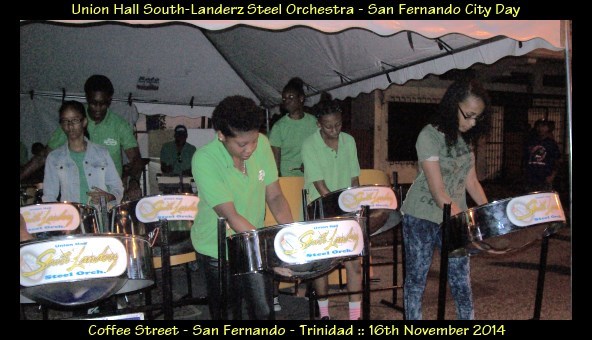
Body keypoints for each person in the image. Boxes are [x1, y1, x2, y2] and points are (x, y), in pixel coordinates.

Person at [191, 95, 293, 320]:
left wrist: (291, 238)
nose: (250, 149)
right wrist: (268, 255)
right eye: (242, 144)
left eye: (254, 140)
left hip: (253, 237)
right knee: (228, 314)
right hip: (217, 248)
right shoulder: (204, 159)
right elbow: (230, 215)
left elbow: (275, 196)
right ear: (221, 135)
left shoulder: (262, 145)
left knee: (264, 313)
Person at [400, 78, 490, 320]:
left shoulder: (466, 139)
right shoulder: (428, 136)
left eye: (477, 118)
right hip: (422, 216)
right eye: (468, 115)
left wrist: (488, 215)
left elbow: (471, 182)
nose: (472, 123)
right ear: (453, 105)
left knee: (461, 279)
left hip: (456, 215)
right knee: (417, 279)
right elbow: (439, 192)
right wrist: (468, 223)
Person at [21, 75, 143, 200]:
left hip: (108, 199)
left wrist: (133, 182)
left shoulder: (119, 125)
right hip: (74, 198)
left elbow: (135, 159)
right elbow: (44, 155)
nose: (97, 108)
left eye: (102, 104)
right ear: (87, 98)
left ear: (109, 100)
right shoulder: (74, 119)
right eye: (93, 103)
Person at [301, 94, 362, 320]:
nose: (334, 130)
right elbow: (320, 186)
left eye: (338, 125)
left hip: (347, 209)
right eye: (328, 127)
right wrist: (339, 211)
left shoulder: (349, 141)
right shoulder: (309, 144)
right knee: (323, 265)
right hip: (320, 209)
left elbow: (355, 179)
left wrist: (355, 207)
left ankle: (355, 317)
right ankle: (324, 314)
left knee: (354, 263)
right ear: (318, 124)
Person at [42, 100, 123, 213]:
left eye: (75, 120)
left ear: (84, 122)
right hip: (70, 220)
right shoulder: (54, 158)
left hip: (100, 218)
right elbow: (49, 196)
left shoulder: (101, 153)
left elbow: (117, 187)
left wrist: (108, 197)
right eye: (65, 121)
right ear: (61, 125)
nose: (70, 125)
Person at [269, 77, 318, 177]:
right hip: (287, 177)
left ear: (301, 98)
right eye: (284, 98)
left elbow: (320, 149)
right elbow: (275, 161)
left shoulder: (314, 122)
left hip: (310, 176)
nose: (287, 101)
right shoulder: (279, 127)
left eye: (291, 97)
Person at [523, 119, 561, 192]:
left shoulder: (551, 144)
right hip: (531, 177)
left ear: (547, 128)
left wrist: (552, 176)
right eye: (539, 126)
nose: (540, 129)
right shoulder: (531, 141)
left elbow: (557, 160)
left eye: (543, 126)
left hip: (545, 177)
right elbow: (526, 158)